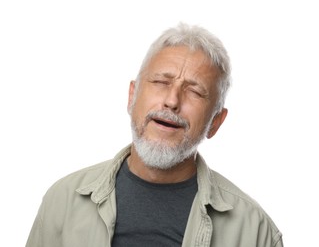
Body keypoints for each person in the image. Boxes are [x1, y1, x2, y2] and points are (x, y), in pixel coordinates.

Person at [26, 23, 283, 247]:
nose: (172, 101)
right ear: (132, 96)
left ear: (215, 122)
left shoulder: (257, 232)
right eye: (161, 82)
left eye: (194, 91)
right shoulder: (62, 201)